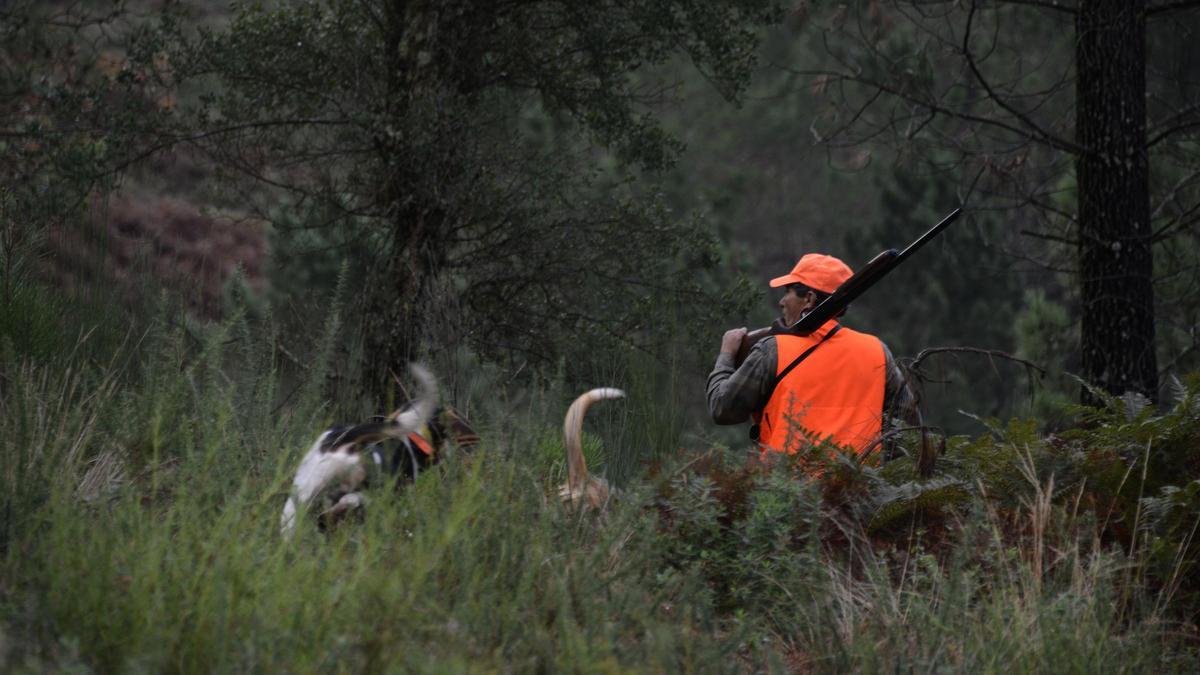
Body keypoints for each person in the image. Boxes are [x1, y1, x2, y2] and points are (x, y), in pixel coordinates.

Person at [707, 253, 914, 467]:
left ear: (809, 299)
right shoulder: (877, 351)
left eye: (787, 291)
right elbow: (906, 424)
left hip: (786, 491)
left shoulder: (773, 350)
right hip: (859, 490)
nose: (781, 301)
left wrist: (727, 354)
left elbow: (723, 408)